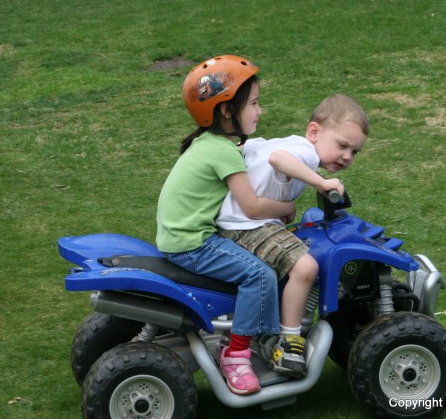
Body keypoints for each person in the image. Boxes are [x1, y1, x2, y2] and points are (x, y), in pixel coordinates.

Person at [156, 55, 296, 395]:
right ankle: (235, 354)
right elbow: (251, 206)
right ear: (225, 111)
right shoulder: (223, 152)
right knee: (259, 273)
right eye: (254, 103)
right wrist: (286, 206)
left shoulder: (209, 143)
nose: (260, 111)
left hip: (177, 235)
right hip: (192, 243)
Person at [217, 94, 369, 377]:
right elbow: (277, 159)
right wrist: (322, 183)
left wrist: (278, 206)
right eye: (342, 145)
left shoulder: (286, 142)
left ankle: (266, 329)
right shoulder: (305, 153)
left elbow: (254, 149)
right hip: (245, 227)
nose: (347, 156)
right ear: (314, 132)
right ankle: (289, 343)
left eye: (354, 152)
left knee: (292, 255)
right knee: (305, 265)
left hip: (243, 221)